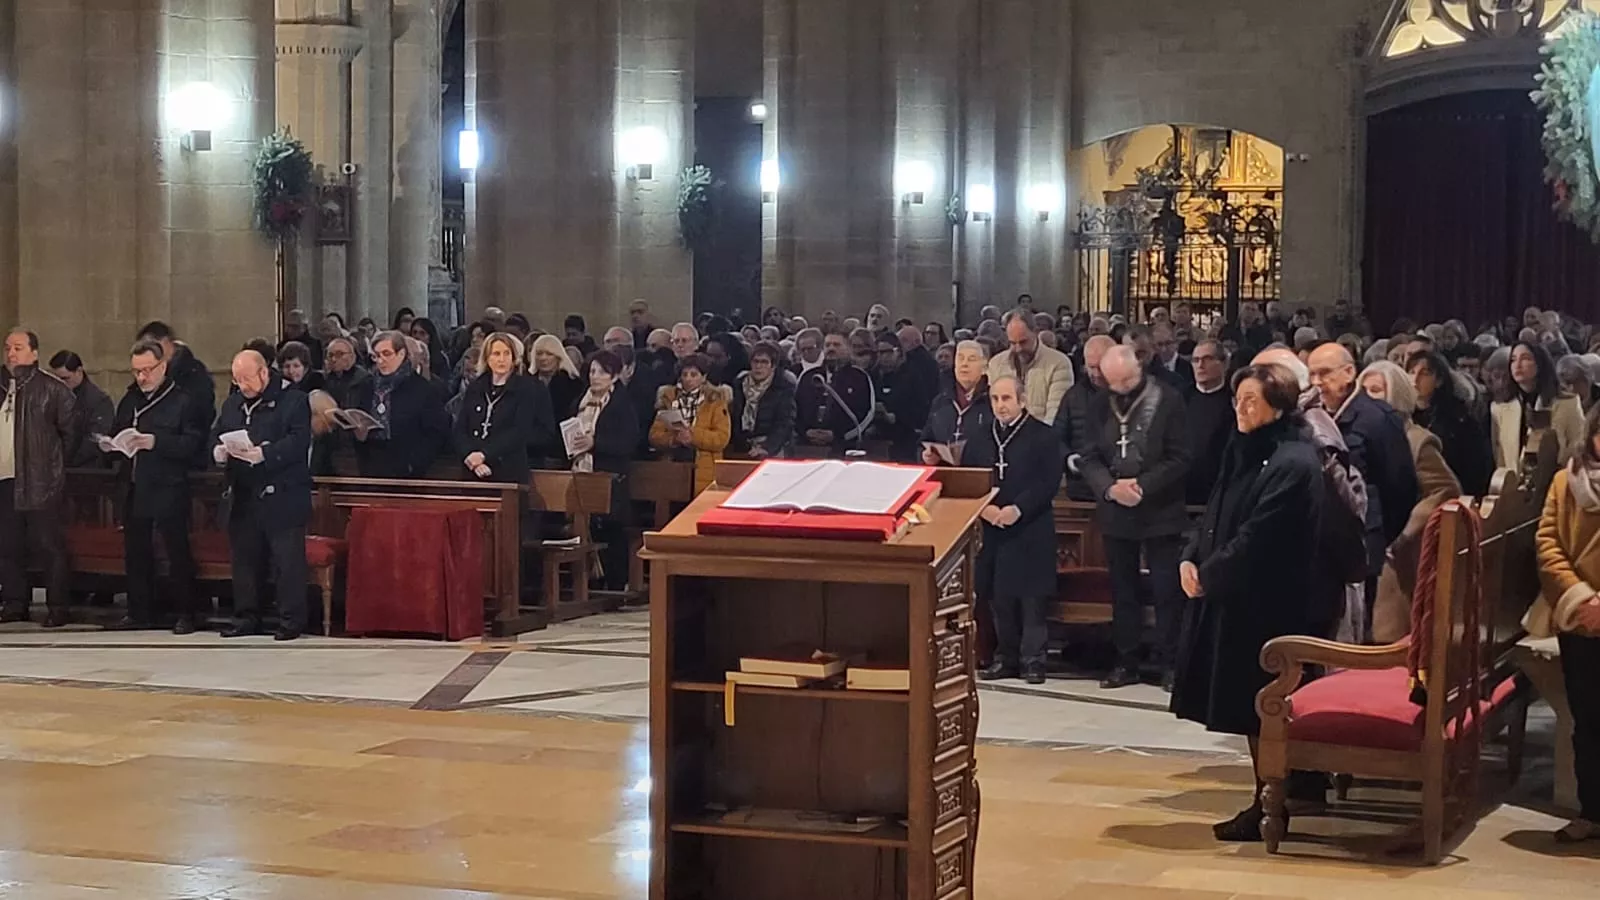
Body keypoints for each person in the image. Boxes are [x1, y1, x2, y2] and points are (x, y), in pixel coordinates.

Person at [1172, 362, 1325, 842]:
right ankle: (1263, 800)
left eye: (1251, 401)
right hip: (1235, 598)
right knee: (1249, 709)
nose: (1240, 408)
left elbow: (1260, 535)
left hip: (1269, 606)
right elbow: (1215, 514)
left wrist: (1210, 576)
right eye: (1237, 399)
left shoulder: (1295, 461)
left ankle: (1271, 805)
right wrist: (1191, 558)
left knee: (1263, 707)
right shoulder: (1243, 450)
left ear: (1277, 406)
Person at [1077, 345, 1192, 690]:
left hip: (1161, 510)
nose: (1122, 387)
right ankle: (1125, 661)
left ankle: (1170, 663)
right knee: (1122, 590)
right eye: (1115, 382)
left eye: (1127, 380)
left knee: (1166, 590)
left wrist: (1142, 486)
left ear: (1139, 368)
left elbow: (1181, 457)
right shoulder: (1100, 403)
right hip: (1116, 512)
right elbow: (1088, 455)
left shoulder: (1168, 400)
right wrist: (1109, 488)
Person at [1308, 342, 1420, 632]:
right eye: (1312, 375)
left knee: (1358, 626)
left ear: (1349, 372)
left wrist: (1379, 533)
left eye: (1324, 373)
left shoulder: (1377, 418)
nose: (1317, 382)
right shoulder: (1310, 416)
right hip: (1318, 543)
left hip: (1361, 541)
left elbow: (1400, 486)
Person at [964, 375, 1063, 685]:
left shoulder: (1043, 436)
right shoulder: (981, 437)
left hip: (1031, 526)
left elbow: (1047, 481)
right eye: (995, 399)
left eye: (1006, 399)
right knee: (999, 596)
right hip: (992, 526)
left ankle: (1034, 660)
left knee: (1031, 598)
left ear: (1022, 401)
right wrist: (986, 509)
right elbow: (969, 477)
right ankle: (1006, 658)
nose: (1000, 406)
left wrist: (1016, 509)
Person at [1530, 411, 1600, 844]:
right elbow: (1548, 544)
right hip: (1582, 622)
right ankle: (1592, 810)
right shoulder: (1565, 482)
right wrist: (1583, 600)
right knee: (1589, 720)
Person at [211, 350, 313, 641]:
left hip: (282, 493)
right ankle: (246, 616)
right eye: (237, 379)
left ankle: (290, 620)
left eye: (246, 379)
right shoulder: (233, 404)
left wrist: (265, 453)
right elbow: (216, 433)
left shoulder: (293, 400)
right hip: (243, 493)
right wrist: (218, 451)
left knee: (286, 561)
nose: (242, 385)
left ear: (264, 373)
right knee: (244, 561)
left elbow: (297, 440)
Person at [1359, 362, 1463, 644]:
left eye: (1376, 391)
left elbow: (1445, 489)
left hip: (1395, 554)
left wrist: (1404, 534)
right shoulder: (1356, 435)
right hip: (1360, 548)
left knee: (1387, 639)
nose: (1367, 398)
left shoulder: (1416, 440)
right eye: (1363, 391)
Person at [110, 340, 204, 632]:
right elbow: (117, 431)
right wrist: (111, 444)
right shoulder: (130, 399)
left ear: (162, 366)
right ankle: (140, 611)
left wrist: (156, 442)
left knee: (176, 552)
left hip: (168, 485)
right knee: (136, 553)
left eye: (147, 370)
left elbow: (193, 444)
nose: (141, 377)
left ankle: (186, 613)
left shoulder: (183, 400)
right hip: (134, 485)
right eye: (136, 371)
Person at [0, 331, 75, 626]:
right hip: (5, 478)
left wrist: (54, 467)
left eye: (18, 348)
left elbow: (71, 435)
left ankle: (58, 605)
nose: (11, 354)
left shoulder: (52, 390)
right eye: (7, 348)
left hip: (40, 480)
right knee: (8, 546)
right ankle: (15, 602)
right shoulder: (2, 384)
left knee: (49, 546)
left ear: (34, 353)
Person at [571, 350, 639, 591]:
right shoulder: (580, 402)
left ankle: (614, 581)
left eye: (601, 372)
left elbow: (628, 442)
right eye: (592, 371)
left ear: (614, 376)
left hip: (612, 476)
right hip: (583, 472)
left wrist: (595, 443)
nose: (595, 377)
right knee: (584, 524)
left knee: (612, 528)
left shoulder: (621, 403)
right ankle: (587, 579)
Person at [350, 331, 450, 479]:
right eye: (376, 356)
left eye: (386, 354)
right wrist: (359, 435)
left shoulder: (422, 389)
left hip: (407, 468)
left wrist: (414, 464)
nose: (380, 360)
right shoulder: (366, 386)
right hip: (371, 465)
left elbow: (436, 433)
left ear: (401, 354)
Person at [455, 333, 543, 484]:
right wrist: (470, 457)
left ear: (514, 357)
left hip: (508, 470)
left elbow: (519, 431)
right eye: (496, 354)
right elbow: (460, 429)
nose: (501, 359)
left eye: (506, 354)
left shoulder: (525, 388)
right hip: (473, 469)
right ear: (487, 358)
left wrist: (484, 455)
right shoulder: (476, 387)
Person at [1408, 351, 1492, 497]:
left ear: (1439, 380)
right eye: (1411, 372)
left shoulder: (1458, 418)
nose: (1415, 379)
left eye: (1424, 373)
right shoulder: (1403, 415)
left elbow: (1475, 468)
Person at [1492, 341, 1586, 470]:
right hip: (1512, 483)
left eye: (1525, 358)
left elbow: (1577, 447)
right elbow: (1500, 457)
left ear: (1540, 364)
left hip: (1556, 480)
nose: (1517, 365)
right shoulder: (1501, 407)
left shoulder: (1567, 403)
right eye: (1513, 360)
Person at [650, 354, 732, 493]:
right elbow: (654, 435)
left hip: (703, 466)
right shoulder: (668, 398)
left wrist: (693, 436)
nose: (688, 379)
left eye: (694, 374)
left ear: (704, 377)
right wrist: (674, 439)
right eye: (685, 374)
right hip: (674, 464)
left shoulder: (715, 401)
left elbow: (721, 438)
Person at [136, 321, 216, 457]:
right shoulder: (145, 377)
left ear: (166, 343)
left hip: (182, 459)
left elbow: (201, 420)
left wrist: (160, 440)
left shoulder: (193, 374)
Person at [987, 309, 1073, 425]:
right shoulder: (996, 364)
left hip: (1043, 438)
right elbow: (993, 411)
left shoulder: (1059, 363)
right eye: (1012, 343)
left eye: (1023, 342)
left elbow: (1055, 415)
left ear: (1036, 332)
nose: (1018, 349)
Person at [795, 330, 875, 454]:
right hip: (807, 447)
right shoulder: (808, 376)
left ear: (848, 348)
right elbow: (794, 409)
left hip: (845, 446)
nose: (831, 348)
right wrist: (804, 432)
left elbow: (867, 413)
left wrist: (839, 435)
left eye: (837, 345)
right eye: (827, 345)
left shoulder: (859, 377)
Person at [1056, 335, 1113, 502]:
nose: (1096, 374)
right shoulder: (1073, 396)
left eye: (1101, 367)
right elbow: (1057, 436)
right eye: (1091, 367)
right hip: (1083, 488)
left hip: (1122, 487)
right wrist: (1068, 458)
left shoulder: (1132, 393)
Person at [923, 340, 993, 459]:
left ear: (984, 366)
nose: (964, 364)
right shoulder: (941, 401)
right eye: (960, 358)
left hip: (979, 473)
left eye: (971, 359)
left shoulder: (993, 400)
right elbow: (925, 440)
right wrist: (925, 455)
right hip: (944, 472)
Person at [869, 332, 932, 461]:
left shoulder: (911, 376)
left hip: (905, 437)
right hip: (877, 436)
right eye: (879, 353)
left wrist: (896, 417)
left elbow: (921, 408)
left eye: (887, 352)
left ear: (898, 352)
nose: (883, 357)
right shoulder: (873, 375)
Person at [1185, 340, 1234, 505]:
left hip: (1221, 489)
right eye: (1195, 360)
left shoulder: (1234, 400)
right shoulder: (1182, 397)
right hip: (1184, 489)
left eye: (1207, 359)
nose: (1200, 365)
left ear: (1224, 363)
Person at [48, 350, 115, 469]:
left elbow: (95, 439)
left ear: (79, 371)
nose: (60, 384)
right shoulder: (52, 397)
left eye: (65, 379)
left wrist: (65, 461)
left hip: (87, 469)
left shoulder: (99, 401)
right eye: (56, 380)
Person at [729, 342, 795, 459]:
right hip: (743, 446)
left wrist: (767, 447)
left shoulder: (783, 387)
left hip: (772, 448)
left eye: (764, 362)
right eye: (756, 361)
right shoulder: (739, 384)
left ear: (773, 365)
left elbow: (784, 424)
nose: (759, 366)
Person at [530, 333, 585, 423]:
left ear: (559, 357)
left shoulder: (572, 384)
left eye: (549, 354)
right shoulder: (526, 383)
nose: (543, 358)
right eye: (539, 353)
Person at [322, 336, 370, 409]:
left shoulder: (364, 379)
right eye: (330, 355)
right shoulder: (327, 379)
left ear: (352, 356)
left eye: (339, 354)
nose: (333, 359)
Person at [1149, 322, 1194, 390]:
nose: (1164, 349)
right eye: (1159, 344)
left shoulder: (1189, 368)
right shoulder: (1148, 369)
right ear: (1152, 346)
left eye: (1168, 343)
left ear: (1176, 343)